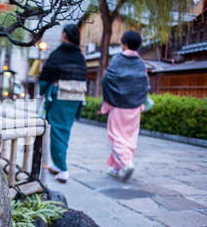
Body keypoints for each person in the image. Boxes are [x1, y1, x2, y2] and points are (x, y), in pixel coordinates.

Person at [38, 24, 87, 183]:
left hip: (60, 96)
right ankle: (58, 166)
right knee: (64, 132)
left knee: (57, 131)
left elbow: (46, 76)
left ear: (64, 34)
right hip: (76, 98)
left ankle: (63, 169)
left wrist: (43, 90)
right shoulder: (80, 56)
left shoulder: (58, 53)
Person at [99, 30, 149, 182]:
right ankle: (116, 169)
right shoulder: (141, 63)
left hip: (118, 106)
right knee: (129, 138)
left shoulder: (118, 59)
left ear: (125, 44)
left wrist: (110, 99)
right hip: (135, 108)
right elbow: (144, 84)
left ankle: (126, 164)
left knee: (116, 137)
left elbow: (106, 80)